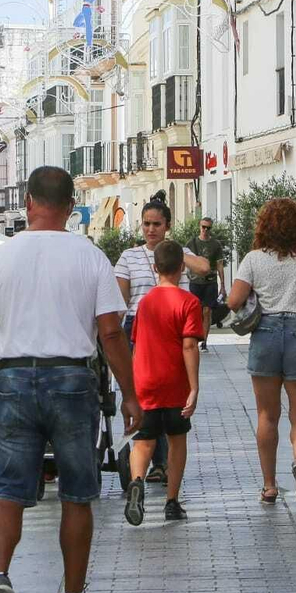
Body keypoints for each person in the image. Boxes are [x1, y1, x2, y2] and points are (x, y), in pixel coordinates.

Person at [0, 167, 141, 593]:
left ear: (28, 202)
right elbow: (109, 333)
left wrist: (19, 325)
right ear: (70, 205)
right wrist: (131, 394)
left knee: (7, 491)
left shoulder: (2, 258)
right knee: (78, 494)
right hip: (72, 379)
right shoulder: (90, 256)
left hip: (15, 378)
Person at [226, 198, 296, 507]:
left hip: (266, 334)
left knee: (266, 415)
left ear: (263, 226)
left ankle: (270, 486)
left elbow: (234, 301)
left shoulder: (253, 259)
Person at [112, 192, 207, 482]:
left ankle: (158, 464)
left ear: (167, 225)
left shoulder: (179, 255)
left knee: (169, 397)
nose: (151, 229)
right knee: (147, 397)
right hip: (139, 329)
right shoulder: (129, 256)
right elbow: (121, 300)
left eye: (156, 224)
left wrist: (174, 254)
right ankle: (157, 462)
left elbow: (204, 267)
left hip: (177, 326)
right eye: (146, 224)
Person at [123, 241, 201, 526]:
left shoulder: (144, 303)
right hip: (175, 383)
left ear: (155, 268)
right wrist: (194, 387)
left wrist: (130, 387)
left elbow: (136, 344)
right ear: (182, 268)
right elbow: (189, 346)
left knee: (143, 442)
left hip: (145, 382)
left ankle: (136, 483)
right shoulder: (189, 302)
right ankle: (172, 501)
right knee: (176, 441)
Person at [185, 216, 226, 348]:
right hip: (195, 282)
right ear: (199, 226)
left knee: (207, 311)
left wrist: (223, 285)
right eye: (203, 227)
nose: (205, 230)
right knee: (194, 311)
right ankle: (194, 336)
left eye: (208, 228)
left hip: (210, 282)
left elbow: (219, 264)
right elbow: (185, 260)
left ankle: (204, 340)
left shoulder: (215, 245)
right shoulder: (191, 243)